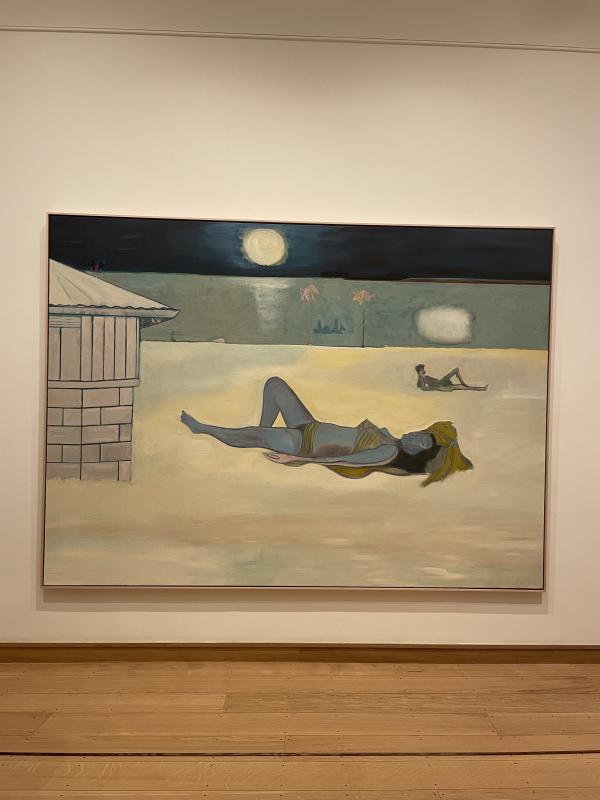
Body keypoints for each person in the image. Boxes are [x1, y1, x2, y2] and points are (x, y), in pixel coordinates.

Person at [180, 377, 473, 486]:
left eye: (421, 443)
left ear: (416, 454)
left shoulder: (387, 452)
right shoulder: (390, 439)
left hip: (304, 446)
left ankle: (204, 429)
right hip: (310, 426)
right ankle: (262, 432)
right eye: (421, 434)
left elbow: (344, 460)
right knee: (274, 385)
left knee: (255, 436)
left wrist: (299, 459)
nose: (415, 436)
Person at [415, 364, 488, 392]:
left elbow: (426, 386)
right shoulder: (421, 379)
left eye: (423, 370)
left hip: (441, 383)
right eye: (422, 370)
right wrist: (435, 387)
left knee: (460, 386)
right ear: (419, 372)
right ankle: (480, 388)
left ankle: (482, 388)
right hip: (440, 385)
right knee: (456, 372)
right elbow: (424, 388)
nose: (424, 371)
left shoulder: (424, 377)